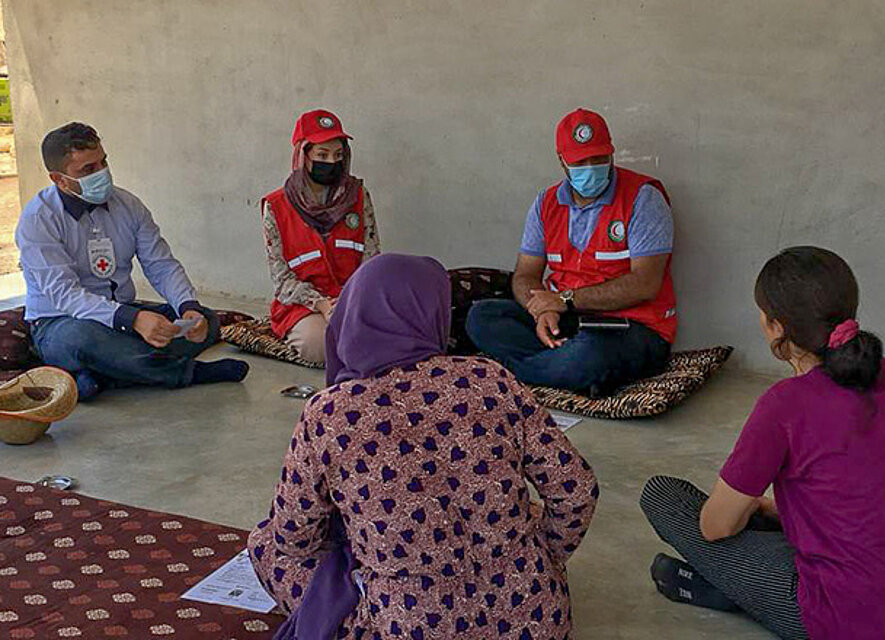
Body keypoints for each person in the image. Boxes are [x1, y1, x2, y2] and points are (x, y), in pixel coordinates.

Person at [249, 254, 599, 640]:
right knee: (521, 513)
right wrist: (538, 559)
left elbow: (293, 537)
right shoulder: (491, 380)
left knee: (267, 545)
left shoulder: (330, 413)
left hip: (407, 627)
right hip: (534, 622)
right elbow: (577, 490)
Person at [640, 247, 885, 639]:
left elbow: (715, 527)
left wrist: (748, 511)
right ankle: (731, 587)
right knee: (768, 519)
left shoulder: (784, 406)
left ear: (777, 327)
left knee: (663, 497)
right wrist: (771, 511)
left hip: (855, 621)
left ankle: (735, 592)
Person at [15, 122, 249, 401]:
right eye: (88, 170)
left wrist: (187, 307)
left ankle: (101, 375)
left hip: (122, 313)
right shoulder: (38, 220)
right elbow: (66, 296)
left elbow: (160, 264)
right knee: (83, 341)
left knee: (206, 321)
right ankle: (185, 373)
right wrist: (133, 319)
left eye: (103, 162)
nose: (101, 173)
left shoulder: (128, 205)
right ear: (59, 179)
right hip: (62, 323)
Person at [466, 108, 676, 396]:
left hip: (631, 327)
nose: (592, 167)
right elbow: (526, 274)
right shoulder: (546, 203)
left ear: (612, 152)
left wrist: (564, 300)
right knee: (482, 317)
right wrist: (541, 310)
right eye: (581, 161)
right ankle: (563, 371)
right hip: (565, 319)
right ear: (561, 160)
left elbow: (645, 284)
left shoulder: (644, 199)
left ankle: (521, 373)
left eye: (600, 158)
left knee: (589, 354)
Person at [261, 109, 380, 365]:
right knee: (321, 345)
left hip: (354, 298)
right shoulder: (276, 207)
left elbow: (371, 260)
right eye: (322, 155)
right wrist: (322, 304)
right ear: (303, 156)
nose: (332, 162)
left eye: (338, 155)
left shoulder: (358, 197)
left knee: (393, 331)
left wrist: (352, 301)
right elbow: (282, 281)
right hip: (305, 305)